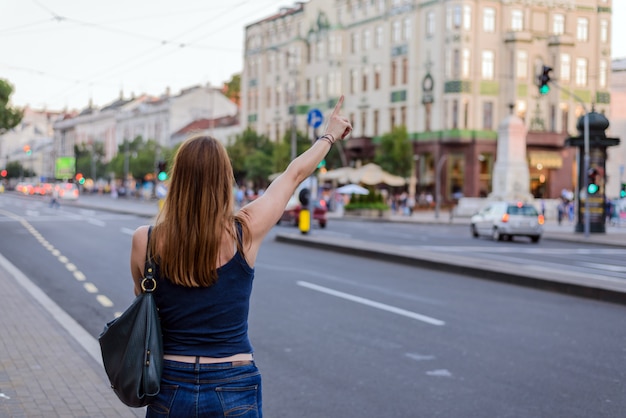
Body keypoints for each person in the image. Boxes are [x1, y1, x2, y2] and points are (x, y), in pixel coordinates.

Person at [129, 96, 352, 417]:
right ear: (225, 180)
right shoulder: (244, 231)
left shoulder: (145, 241)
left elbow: (143, 304)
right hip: (233, 381)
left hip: (169, 383)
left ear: (176, 180)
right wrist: (328, 136)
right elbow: (292, 176)